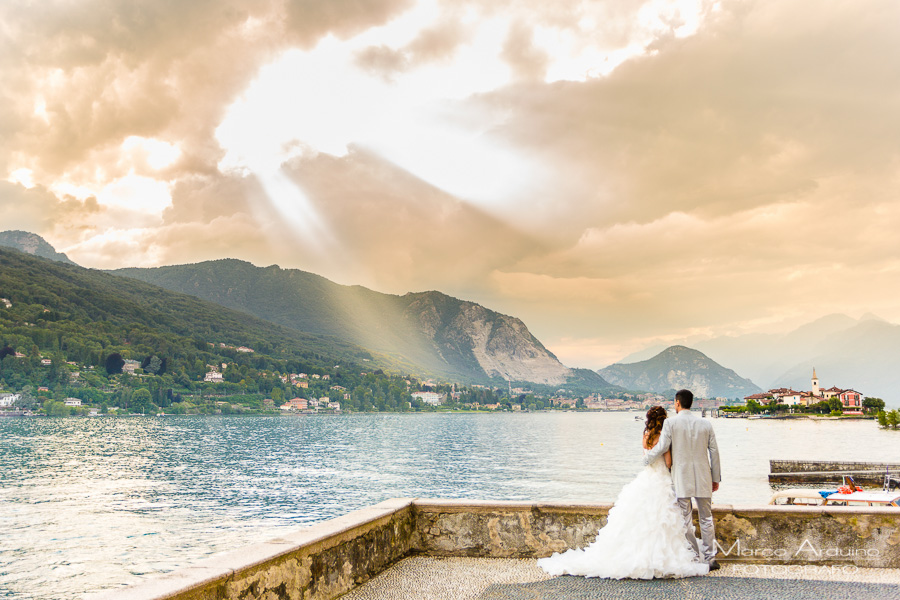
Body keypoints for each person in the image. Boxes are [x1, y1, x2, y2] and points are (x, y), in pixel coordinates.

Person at [537, 406, 709, 579]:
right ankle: (661, 557)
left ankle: (635, 555)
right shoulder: (664, 437)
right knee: (664, 517)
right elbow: (669, 462)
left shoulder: (646, 435)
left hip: (648, 477)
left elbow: (646, 458)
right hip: (663, 479)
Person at [643, 389, 722, 570]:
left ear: (678, 403)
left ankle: (694, 556)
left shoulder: (671, 423)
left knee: (685, 519)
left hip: (681, 478)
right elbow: (714, 452)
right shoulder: (705, 424)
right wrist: (715, 477)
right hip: (704, 477)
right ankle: (710, 558)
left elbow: (662, 447)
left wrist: (647, 458)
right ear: (691, 403)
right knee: (706, 518)